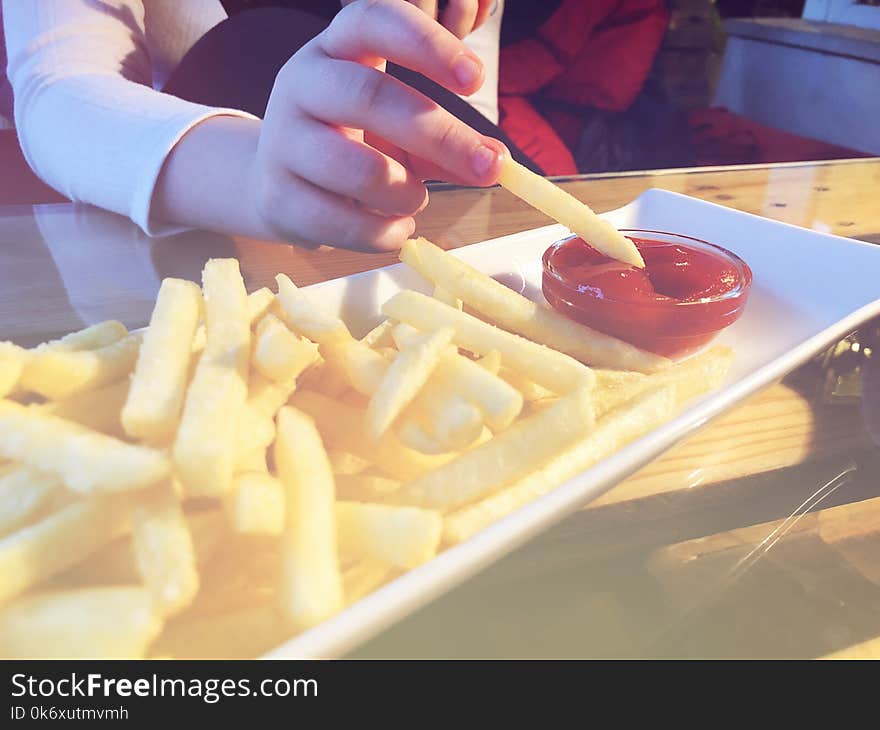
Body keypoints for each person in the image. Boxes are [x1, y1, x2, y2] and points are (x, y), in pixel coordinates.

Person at [1, 0, 517, 252]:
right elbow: (60, 88)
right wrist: (251, 173)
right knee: (250, 44)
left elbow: (468, 70)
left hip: (461, 201)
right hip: (216, 219)